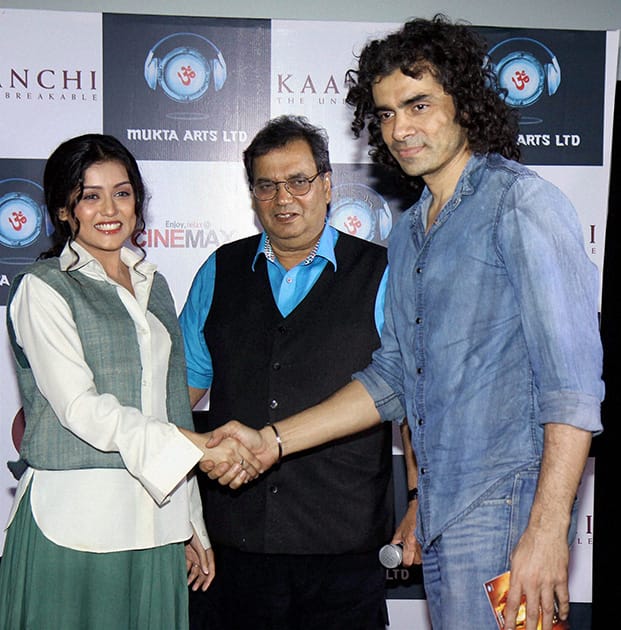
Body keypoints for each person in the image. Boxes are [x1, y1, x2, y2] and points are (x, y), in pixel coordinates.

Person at [203, 16, 604, 630]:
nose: (400, 128)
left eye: (418, 104)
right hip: (444, 515)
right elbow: (391, 377)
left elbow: (573, 389)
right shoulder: (412, 232)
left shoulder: (520, 203)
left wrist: (548, 533)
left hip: (508, 506)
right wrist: (271, 442)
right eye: (386, 113)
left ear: (464, 103)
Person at [0, 133, 261, 630]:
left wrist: (191, 521)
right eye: (90, 195)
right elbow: (81, 408)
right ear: (63, 210)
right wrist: (199, 446)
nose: (109, 209)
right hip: (74, 523)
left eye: (122, 192)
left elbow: (170, 409)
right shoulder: (44, 287)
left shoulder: (153, 284)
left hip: (155, 518)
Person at [179, 114, 417, 630]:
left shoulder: (384, 273)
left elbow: (412, 401)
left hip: (343, 553)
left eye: (299, 181)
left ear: (327, 185)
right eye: (267, 185)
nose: (284, 198)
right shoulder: (218, 271)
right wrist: (174, 516)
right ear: (253, 195)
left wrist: (419, 498)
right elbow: (178, 398)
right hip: (230, 551)